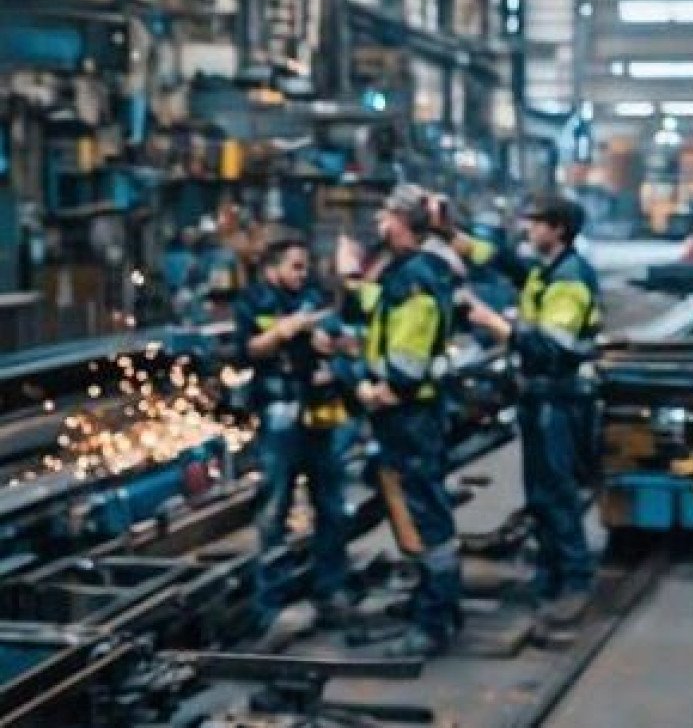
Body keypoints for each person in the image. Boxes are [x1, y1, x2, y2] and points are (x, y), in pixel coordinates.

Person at [454, 192, 601, 625]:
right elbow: (504, 262)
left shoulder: (570, 280)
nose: (527, 229)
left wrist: (493, 323)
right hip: (540, 398)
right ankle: (551, 574)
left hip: (561, 398)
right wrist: (452, 237)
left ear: (557, 229)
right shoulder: (548, 270)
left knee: (557, 493)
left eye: (536, 223)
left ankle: (575, 581)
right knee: (539, 494)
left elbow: (552, 348)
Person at [346, 184, 461, 658]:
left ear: (403, 222)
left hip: (409, 416)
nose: (378, 224)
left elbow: (409, 358)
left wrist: (383, 389)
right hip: (412, 414)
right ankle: (437, 606)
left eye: (385, 217)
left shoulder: (413, 279)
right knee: (420, 510)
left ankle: (433, 622)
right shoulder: (409, 271)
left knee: (424, 516)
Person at [233, 236, 355, 633]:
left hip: (320, 417)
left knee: (332, 506)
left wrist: (330, 343)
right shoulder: (253, 302)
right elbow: (247, 351)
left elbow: (345, 341)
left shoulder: (316, 298)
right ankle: (271, 605)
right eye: (295, 267)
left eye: (305, 267)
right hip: (279, 418)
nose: (302, 275)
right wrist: (284, 332)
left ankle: (331, 590)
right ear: (272, 269)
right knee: (273, 513)